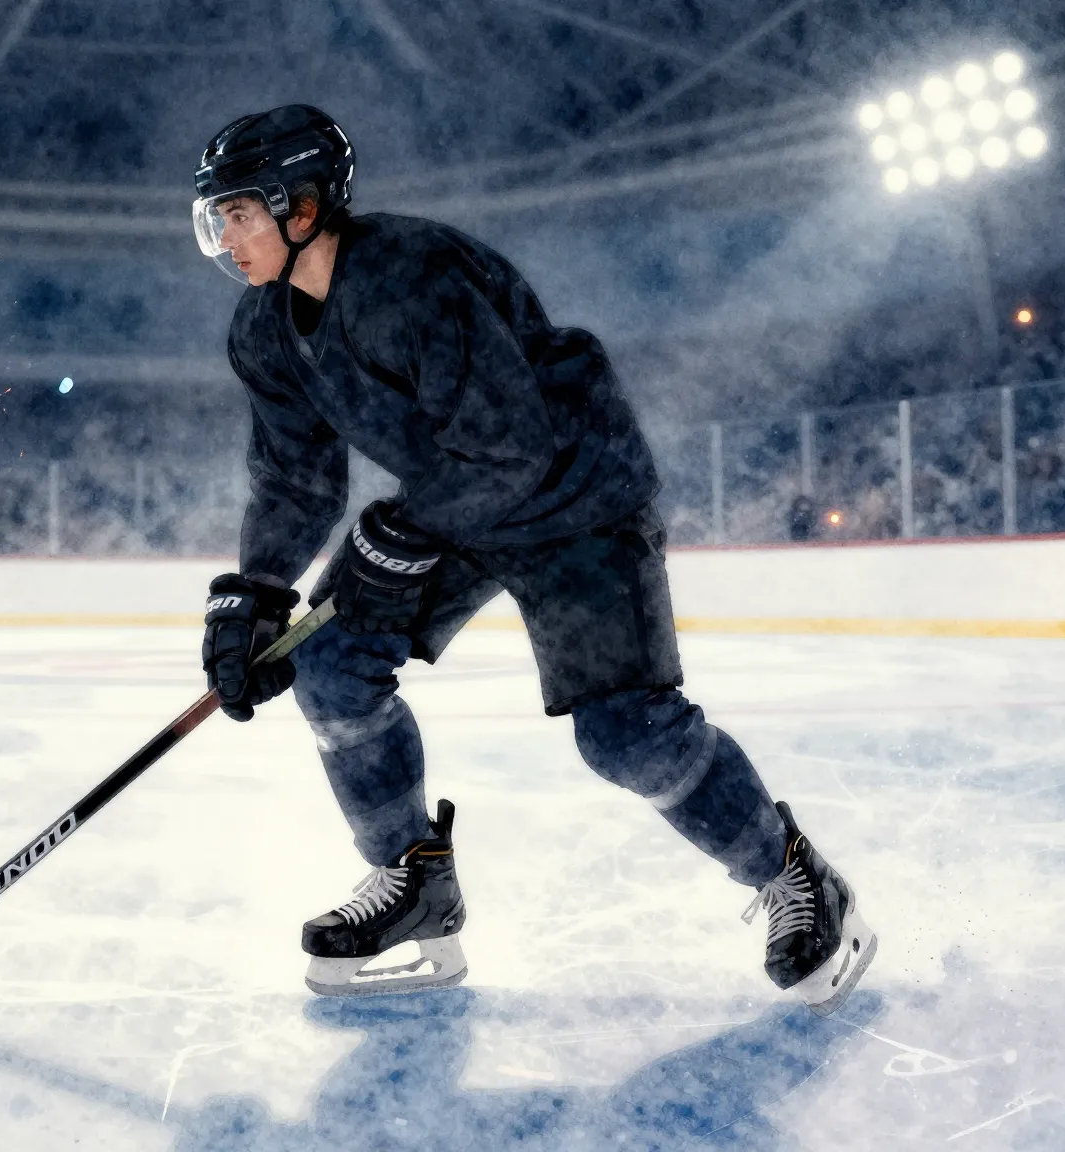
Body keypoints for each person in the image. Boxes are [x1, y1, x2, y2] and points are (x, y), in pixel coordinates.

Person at [192, 106, 875, 1011]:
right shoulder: (264, 331)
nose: (225, 239)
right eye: (219, 218)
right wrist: (252, 594)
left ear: (305, 208)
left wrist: (400, 532)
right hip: (460, 503)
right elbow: (294, 480)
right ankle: (413, 882)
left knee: (626, 734)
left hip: (573, 495)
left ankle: (793, 874)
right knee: (328, 664)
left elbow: (511, 444)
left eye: (241, 214)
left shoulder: (415, 276)